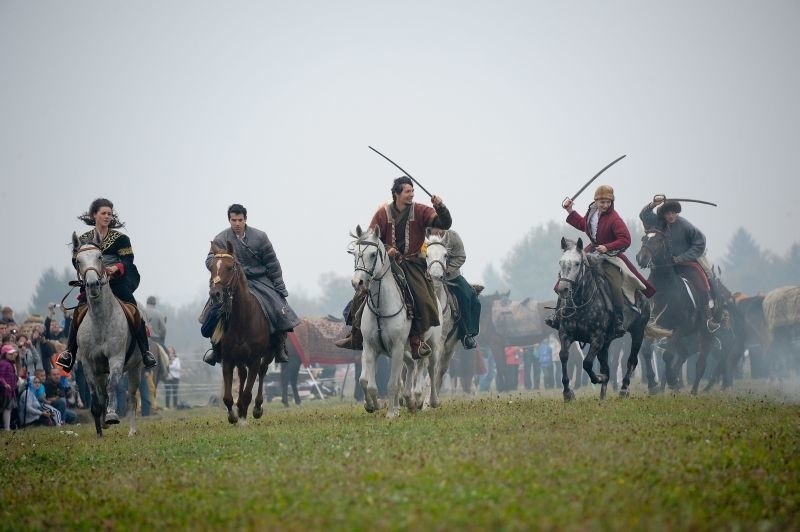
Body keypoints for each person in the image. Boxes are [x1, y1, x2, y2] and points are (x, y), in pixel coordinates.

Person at [335, 176, 452, 359]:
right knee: (361, 294)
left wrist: (441, 207)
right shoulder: (382, 214)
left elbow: (444, 224)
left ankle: (416, 341)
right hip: (386, 264)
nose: (411, 194)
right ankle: (356, 335)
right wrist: (388, 249)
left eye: (413, 191)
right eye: (407, 191)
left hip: (412, 265)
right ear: (397, 194)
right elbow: (372, 239)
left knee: (423, 299)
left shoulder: (421, 210)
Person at [55, 198, 158, 371]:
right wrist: (89, 271)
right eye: (103, 213)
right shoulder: (83, 239)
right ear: (94, 215)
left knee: (134, 310)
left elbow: (128, 260)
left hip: (116, 283)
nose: (107, 216)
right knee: (78, 314)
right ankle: (69, 353)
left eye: (110, 214)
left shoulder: (121, 239)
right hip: (92, 284)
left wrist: (115, 268)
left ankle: (145, 351)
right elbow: (76, 261)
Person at [547, 184, 655, 337]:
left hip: (611, 257)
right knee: (565, 278)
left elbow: (625, 239)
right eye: (602, 202)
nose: (605, 205)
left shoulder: (615, 219)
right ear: (596, 201)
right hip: (591, 251)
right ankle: (558, 315)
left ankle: (617, 320)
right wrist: (569, 210)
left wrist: (607, 247)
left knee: (616, 286)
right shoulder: (592, 213)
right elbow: (582, 225)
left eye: (608, 202)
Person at [200, 203, 300, 366]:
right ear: (229, 220)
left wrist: (279, 287)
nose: (237, 223)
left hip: (259, 280)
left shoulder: (260, 237)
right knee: (212, 311)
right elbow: (209, 260)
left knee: (278, 309)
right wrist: (220, 262)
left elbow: (272, 263)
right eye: (233, 220)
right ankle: (215, 349)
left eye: (240, 220)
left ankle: (280, 346)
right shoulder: (221, 238)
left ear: (245, 219)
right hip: (231, 283)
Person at [639, 197, 719, 331]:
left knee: (701, 282)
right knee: (646, 287)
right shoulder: (658, 222)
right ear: (663, 215)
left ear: (677, 213)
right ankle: (644, 315)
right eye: (667, 213)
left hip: (685, 263)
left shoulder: (685, 226)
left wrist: (681, 257)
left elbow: (700, 242)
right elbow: (644, 215)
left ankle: (708, 318)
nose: (670, 216)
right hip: (663, 267)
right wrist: (653, 204)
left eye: (673, 213)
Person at [429, 229, 481, 349]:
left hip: (451, 276)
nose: (437, 227)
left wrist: (447, 270)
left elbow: (461, 256)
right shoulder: (423, 236)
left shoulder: (453, 236)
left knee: (471, 298)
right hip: (428, 275)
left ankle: (466, 334)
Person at [0, 344, 20, 430]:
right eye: (10, 354)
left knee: (8, 409)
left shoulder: (11, 363)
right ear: (4, 354)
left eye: (13, 354)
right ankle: (6, 428)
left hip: (10, 390)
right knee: (7, 409)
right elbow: (0, 376)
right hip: (4, 390)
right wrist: (5, 384)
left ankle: (7, 427)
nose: (12, 356)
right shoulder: (4, 363)